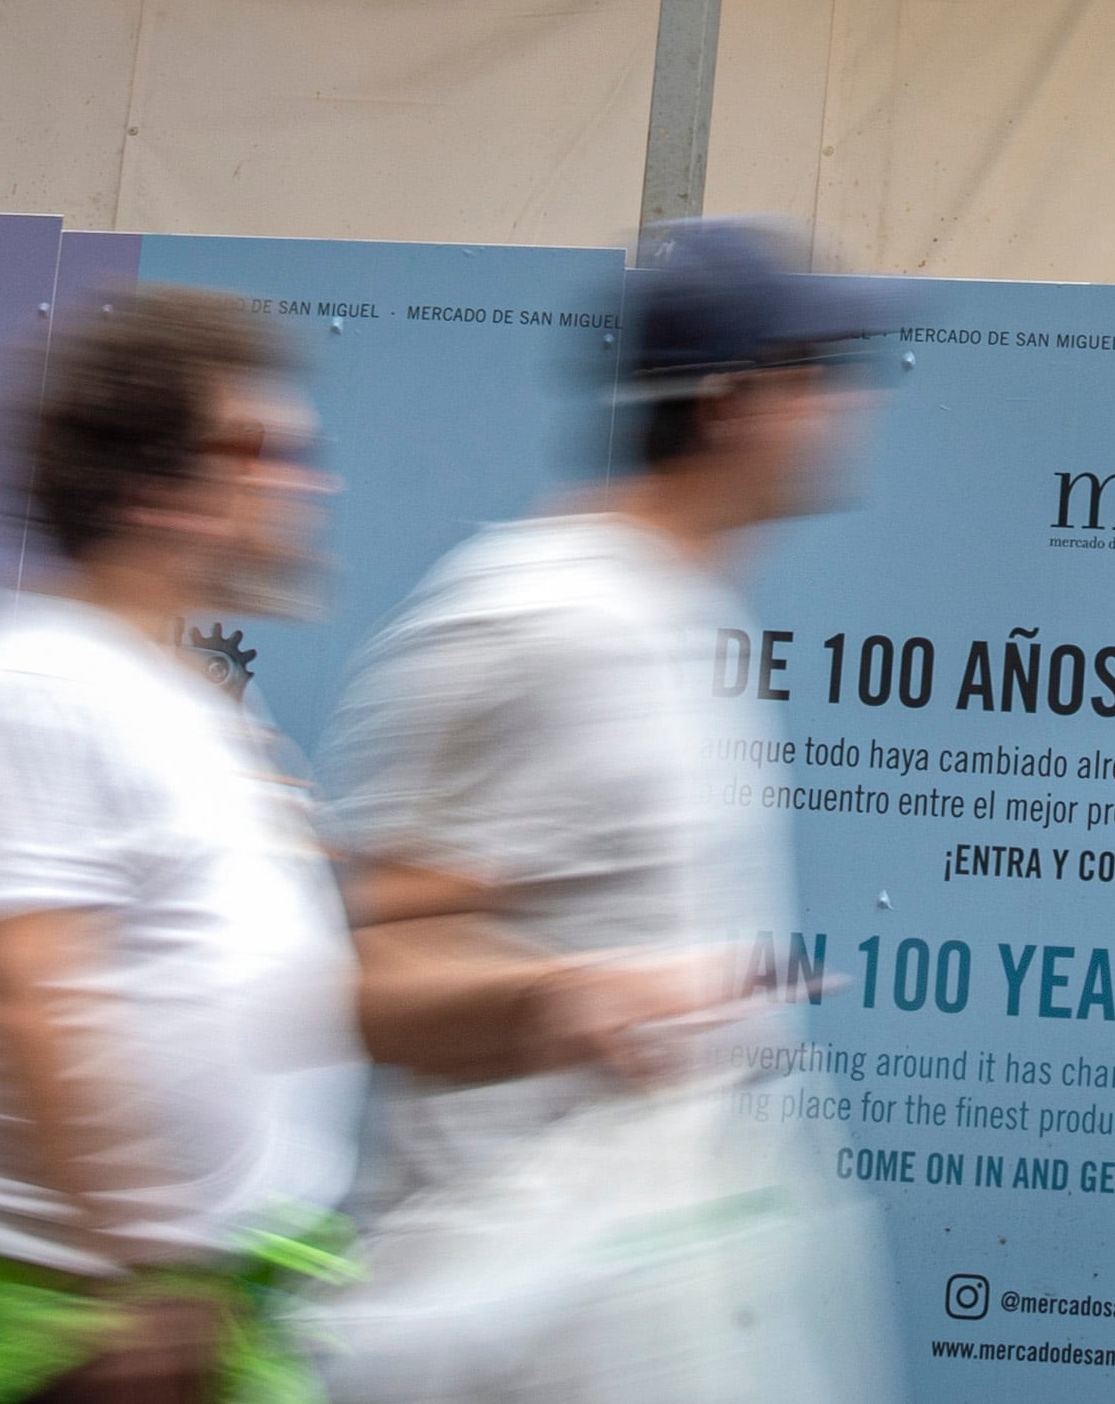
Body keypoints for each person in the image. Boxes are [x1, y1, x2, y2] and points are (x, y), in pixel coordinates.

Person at [306, 221, 885, 1404]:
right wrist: (564, 999)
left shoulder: (680, 617)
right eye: (816, 372)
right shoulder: (536, 619)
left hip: (652, 1313)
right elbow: (358, 964)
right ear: (731, 402)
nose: (846, 404)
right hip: (509, 1327)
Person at [0, 287, 356, 1404]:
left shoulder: (193, 702)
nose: (310, 481)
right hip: (44, 1332)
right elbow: (29, 992)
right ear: (158, 485)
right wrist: (146, 1267)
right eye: (265, 452)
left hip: (162, 1314)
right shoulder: (23, 682)